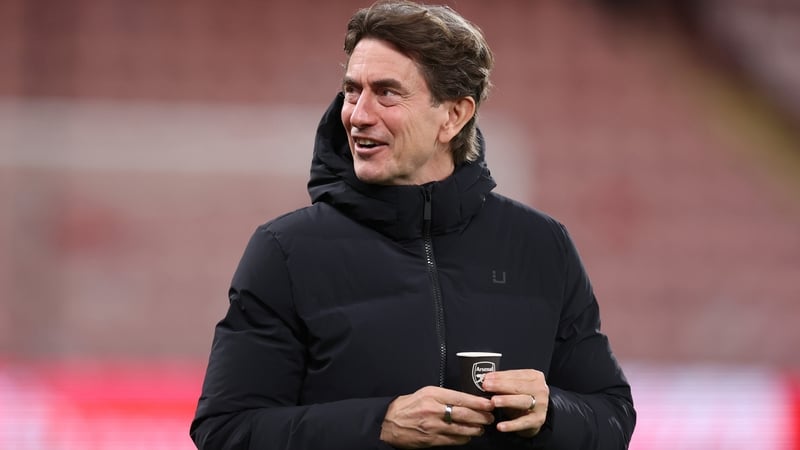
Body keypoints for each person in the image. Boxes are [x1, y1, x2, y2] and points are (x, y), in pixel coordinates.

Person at [190, 1, 636, 449]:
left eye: (386, 93)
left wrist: (551, 411)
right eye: (351, 91)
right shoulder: (285, 250)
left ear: (453, 116)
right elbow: (226, 431)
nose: (358, 115)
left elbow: (613, 416)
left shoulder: (541, 245)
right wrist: (379, 425)